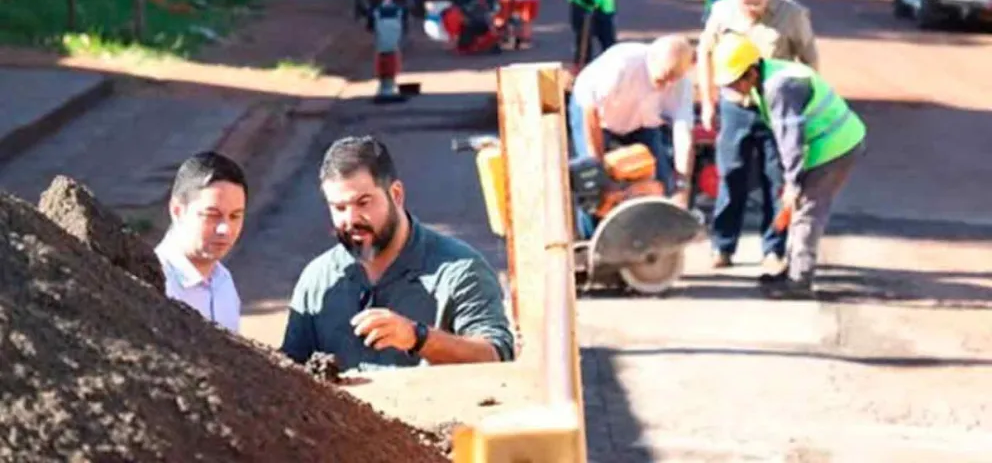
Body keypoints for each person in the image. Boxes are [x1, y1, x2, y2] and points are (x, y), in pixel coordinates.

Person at [281, 136, 515, 371]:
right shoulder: (318, 278)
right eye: (339, 208)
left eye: (363, 203)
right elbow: (289, 373)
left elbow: (495, 358)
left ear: (396, 194)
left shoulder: (461, 270)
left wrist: (418, 338)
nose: (351, 220)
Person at [710, 34, 866, 298]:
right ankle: (793, 269)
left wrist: (792, 183)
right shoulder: (765, 79)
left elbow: (790, 138)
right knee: (799, 209)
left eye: (735, 82)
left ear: (750, 72)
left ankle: (799, 281)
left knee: (807, 210)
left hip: (836, 147)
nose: (733, 90)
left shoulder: (778, 88)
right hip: (824, 144)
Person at [697, 0, 819, 275]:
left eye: (757, 5)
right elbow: (705, 52)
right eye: (745, 5)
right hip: (735, 105)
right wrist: (708, 100)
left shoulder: (792, 15)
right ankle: (722, 245)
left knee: (775, 180)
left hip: (775, 110)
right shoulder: (723, 11)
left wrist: (808, 101)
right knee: (731, 175)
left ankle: (773, 249)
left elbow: (810, 59)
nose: (751, 12)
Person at [569, 36, 696, 237]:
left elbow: (683, 135)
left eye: (675, 79)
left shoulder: (681, 85)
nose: (668, 85)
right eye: (663, 78)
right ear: (651, 59)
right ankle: (590, 241)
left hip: (642, 122)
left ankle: (650, 243)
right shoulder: (621, 65)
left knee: (662, 182)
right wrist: (599, 167)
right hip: (598, 116)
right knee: (591, 182)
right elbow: (590, 114)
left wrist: (682, 185)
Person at [155, 151, 248, 333]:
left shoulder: (224, 282)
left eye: (235, 216)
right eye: (212, 215)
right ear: (177, 210)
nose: (225, 229)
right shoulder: (155, 285)